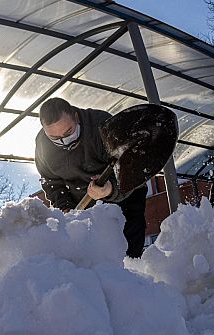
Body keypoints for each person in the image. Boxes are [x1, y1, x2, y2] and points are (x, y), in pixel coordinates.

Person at [34, 97, 148, 258]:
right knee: (91, 258)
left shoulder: (102, 124)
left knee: (127, 252)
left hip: (125, 195)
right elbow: (51, 182)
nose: (64, 142)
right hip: (81, 203)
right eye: (55, 139)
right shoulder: (42, 145)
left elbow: (131, 167)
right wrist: (65, 207)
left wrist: (110, 189)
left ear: (75, 116)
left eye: (68, 132)